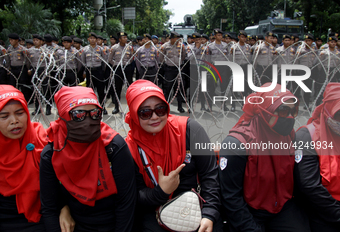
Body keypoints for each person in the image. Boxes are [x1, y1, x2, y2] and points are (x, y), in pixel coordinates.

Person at [125, 79, 222, 232]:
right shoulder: (129, 149)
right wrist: (162, 191)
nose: (155, 117)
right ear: (134, 115)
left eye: (161, 109)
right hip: (156, 215)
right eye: (145, 113)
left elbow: (210, 174)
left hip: (197, 209)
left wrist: (209, 213)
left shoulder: (190, 130)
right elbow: (135, 195)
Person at [40, 86, 136, 231]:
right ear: (63, 117)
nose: (88, 120)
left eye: (95, 113)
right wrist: (63, 208)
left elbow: (126, 203)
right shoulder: (52, 153)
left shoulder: (113, 146)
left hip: (114, 224)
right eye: (78, 115)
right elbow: (49, 208)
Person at [219, 83, 310, 232]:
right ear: (265, 110)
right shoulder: (238, 143)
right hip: (249, 211)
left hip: (282, 207)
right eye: (282, 110)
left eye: (293, 111)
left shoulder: (288, 136)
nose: (289, 117)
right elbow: (231, 197)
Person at [0, 85, 73, 232]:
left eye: (20, 113)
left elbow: (62, 183)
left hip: (40, 218)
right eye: (4, 116)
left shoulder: (43, 140)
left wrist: (65, 208)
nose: (14, 121)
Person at [294, 82, 340, 232]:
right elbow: (309, 185)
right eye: (339, 115)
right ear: (327, 111)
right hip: (323, 213)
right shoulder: (308, 136)